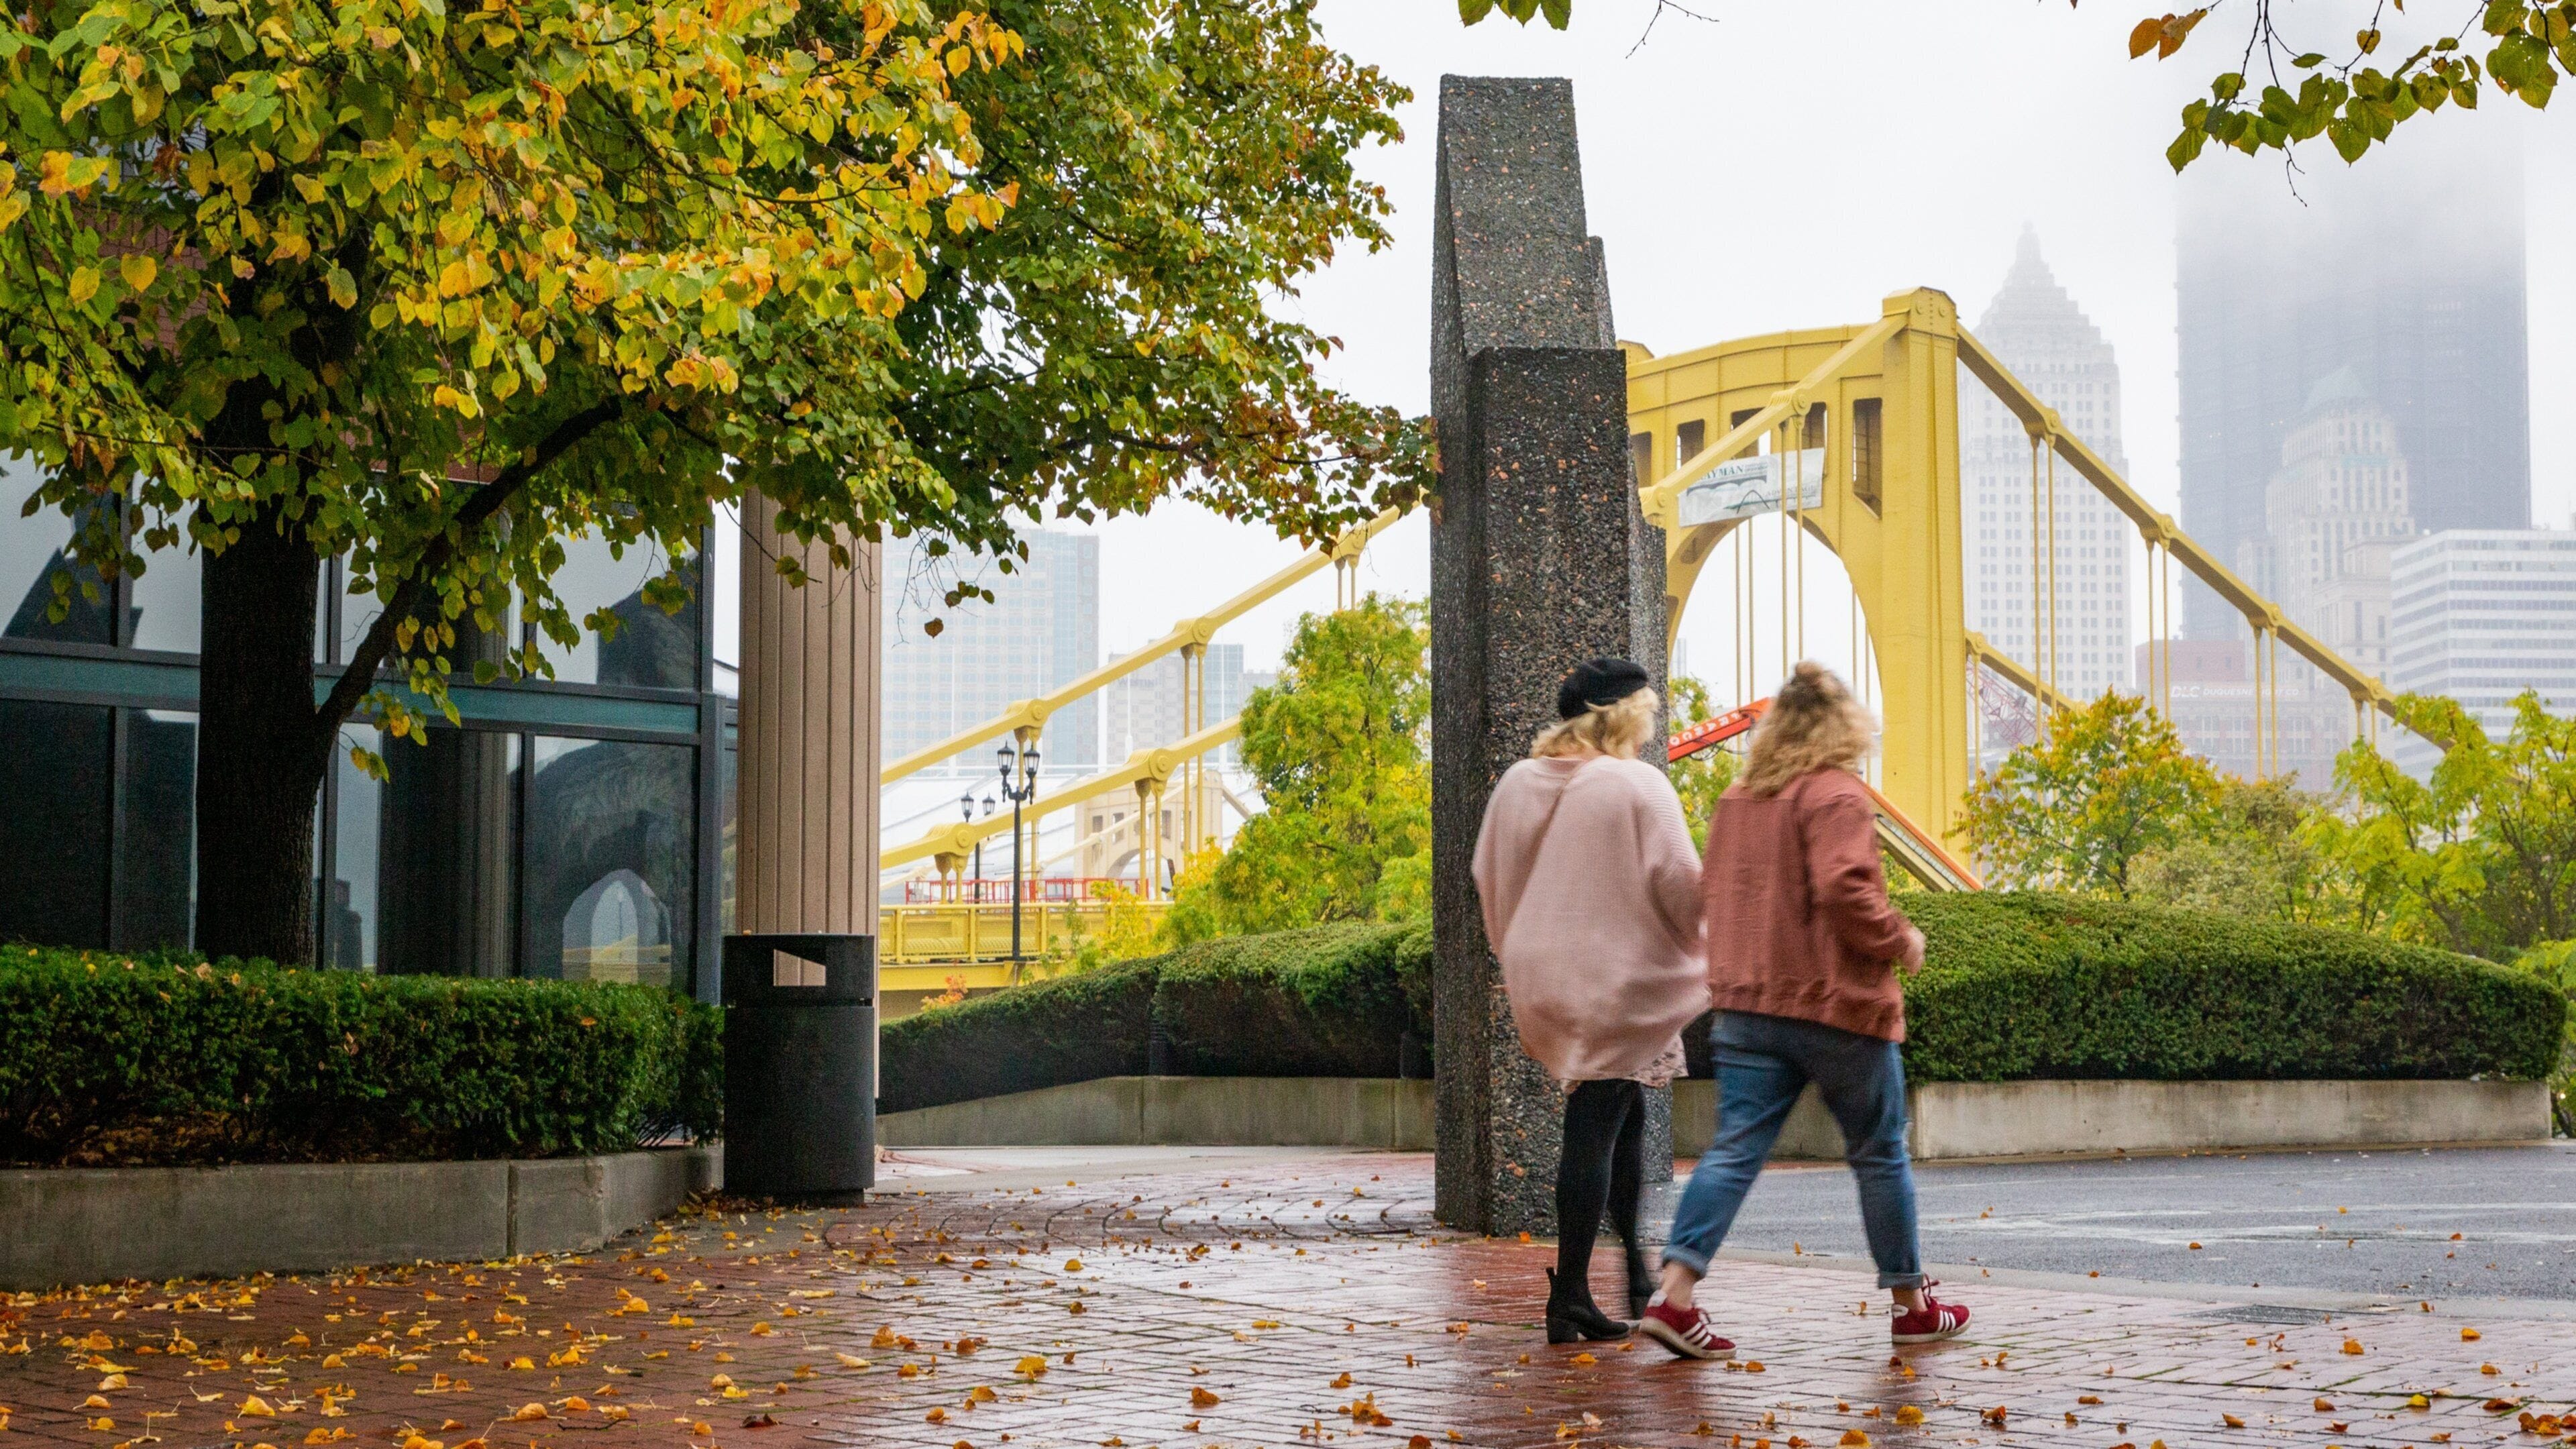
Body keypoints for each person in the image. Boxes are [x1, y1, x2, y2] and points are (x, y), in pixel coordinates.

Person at [1638, 661, 1970, 1361]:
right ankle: (1912, 1307)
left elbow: (1712, 896)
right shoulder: (1836, 794)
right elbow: (1847, 889)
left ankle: (1674, 1296)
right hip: (1835, 1005)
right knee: (1880, 1153)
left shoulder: (1737, 801)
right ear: (1842, 729)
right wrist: (1900, 938)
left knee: (1734, 1150)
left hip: (1748, 1006)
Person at [1472, 657, 1708, 1344]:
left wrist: (1519, 953)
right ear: (1624, 714)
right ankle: (1571, 1293)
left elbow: (1488, 875)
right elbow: (1683, 886)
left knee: (1624, 1110)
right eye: (1649, 711)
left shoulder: (1520, 782)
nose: (1653, 724)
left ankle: (1633, 1267)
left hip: (1542, 972)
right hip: (1617, 977)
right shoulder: (1635, 783)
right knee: (1597, 1122)